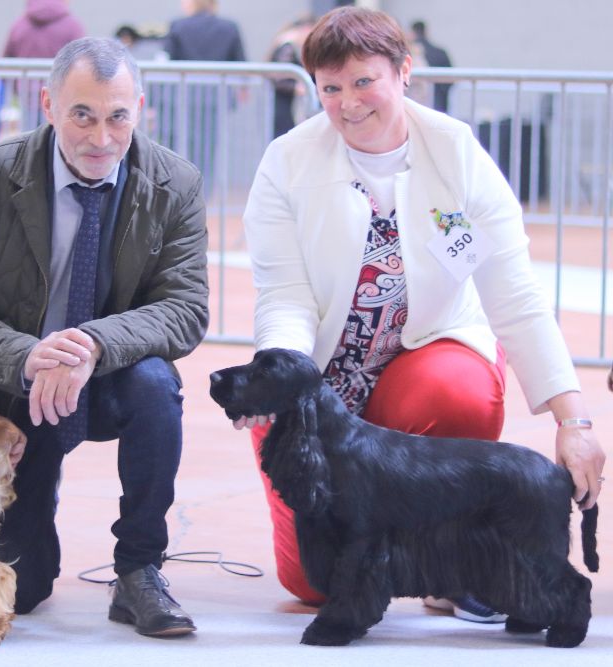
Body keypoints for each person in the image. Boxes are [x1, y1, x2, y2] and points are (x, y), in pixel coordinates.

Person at [237, 6, 605, 623]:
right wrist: (290, 384)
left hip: (425, 353)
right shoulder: (286, 161)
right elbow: (284, 295)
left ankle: (453, 564)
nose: (348, 102)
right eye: (330, 88)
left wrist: (574, 418)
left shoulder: (456, 152)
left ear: (404, 72)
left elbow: (514, 291)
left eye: (363, 81)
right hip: (326, 379)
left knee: (455, 391)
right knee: (318, 583)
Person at [0, 37, 209, 637]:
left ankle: (140, 569)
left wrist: (93, 345)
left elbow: (186, 306)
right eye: (82, 114)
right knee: (19, 592)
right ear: (48, 103)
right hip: (20, 388)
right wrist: (24, 354)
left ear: (139, 109)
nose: (101, 138)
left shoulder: (174, 183)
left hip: (111, 377)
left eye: (117, 117)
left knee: (157, 386)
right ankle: (32, 522)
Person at [164, 0, 246, 189]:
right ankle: (204, 191)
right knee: (209, 148)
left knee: (183, 145)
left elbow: (166, 61)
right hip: (216, 99)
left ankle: (183, 189)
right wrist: (242, 89)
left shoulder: (178, 26)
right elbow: (240, 63)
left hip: (185, 99)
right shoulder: (229, 27)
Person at [2, 0, 84, 59]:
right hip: (57, 83)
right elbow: (81, 61)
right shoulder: (72, 26)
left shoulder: (19, 25)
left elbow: (6, 62)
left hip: (23, 83)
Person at [411, 19, 453, 113]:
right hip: (439, 103)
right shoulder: (440, 52)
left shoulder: (409, 54)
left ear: (413, 32)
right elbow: (451, 80)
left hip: (417, 105)